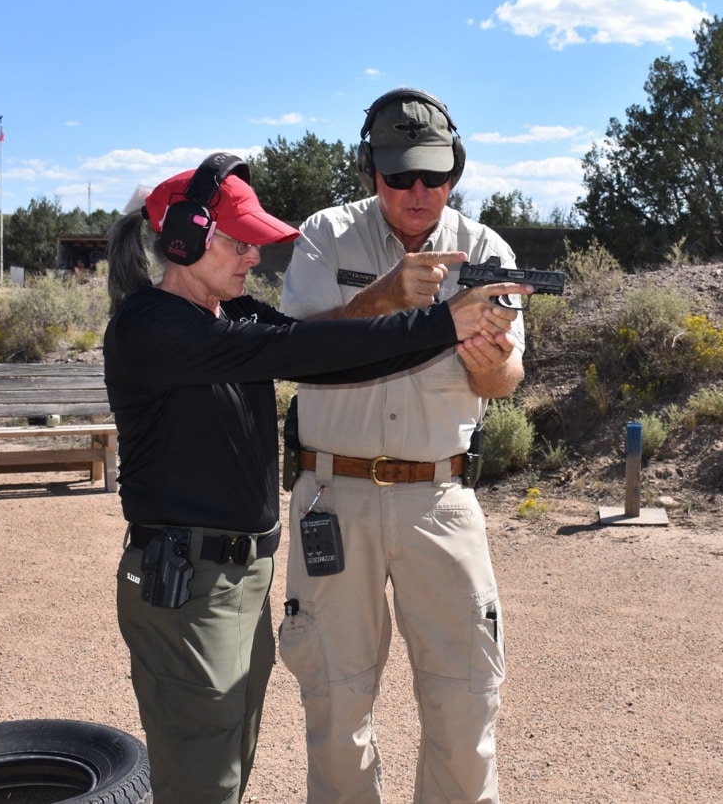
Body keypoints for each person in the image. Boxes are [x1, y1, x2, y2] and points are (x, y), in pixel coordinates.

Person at [102, 152, 525, 804]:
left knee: (226, 761)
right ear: (184, 237)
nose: (253, 259)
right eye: (240, 243)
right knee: (201, 778)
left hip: (237, 577)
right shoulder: (152, 326)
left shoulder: (226, 315)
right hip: (187, 577)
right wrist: (444, 321)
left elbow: (332, 358)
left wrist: (453, 332)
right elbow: (300, 350)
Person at [278, 88, 525, 803]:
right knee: (335, 700)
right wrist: (384, 296)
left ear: (455, 171)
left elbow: (508, 375)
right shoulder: (325, 237)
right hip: (334, 494)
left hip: (439, 500)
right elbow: (297, 348)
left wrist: (490, 361)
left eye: (434, 176)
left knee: (465, 698)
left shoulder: (486, 250)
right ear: (370, 172)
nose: (418, 192)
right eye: (399, 176)